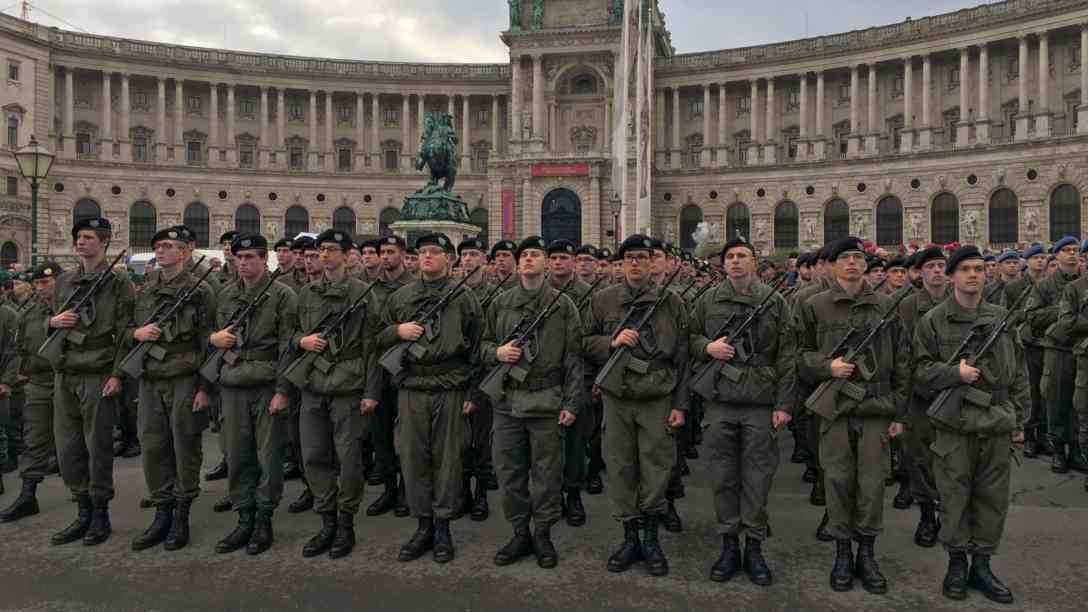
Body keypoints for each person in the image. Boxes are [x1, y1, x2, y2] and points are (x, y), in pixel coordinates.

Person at [913, 245, 1027, 604]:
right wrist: (954, 373)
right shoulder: (933, 320)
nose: (974, 275)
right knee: (954, 495)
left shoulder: (1001, 318)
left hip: (995, 420)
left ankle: (983, 564)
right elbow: (919, 371)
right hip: (954, 423)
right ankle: (957, 563)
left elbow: (1019, 371)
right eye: (965, 270)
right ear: (951, 277)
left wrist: (1020, 417)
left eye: (979, 269)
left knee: (992, 498)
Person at [796, 236, 907, 594]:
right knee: (839, 482)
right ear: (831, 265)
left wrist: (898, 411)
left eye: (858, 257)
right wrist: (827, 365)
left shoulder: (887, 306)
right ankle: (843, 552)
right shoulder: (815, 306)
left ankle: (867, 554)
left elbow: (904, 361)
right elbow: (799, 355)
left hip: (876, 409)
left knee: (873, 485)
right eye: (845, 257)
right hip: (836, 411)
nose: (852, 263)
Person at [689, 237, 795, 586]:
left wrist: (783, 405)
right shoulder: (707, 300)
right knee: (722, 476)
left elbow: (787, 355)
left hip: (760, 403)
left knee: (758, 477)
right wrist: (708, 346)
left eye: (742, 256)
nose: (735, 261)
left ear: (754, 262)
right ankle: (729, 544)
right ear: (723, 264)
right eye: (730, 257)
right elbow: (688, 337)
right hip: (720, 401)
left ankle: (754, 546)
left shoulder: (774, 301)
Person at [584, 234, 689, 577]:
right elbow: (583, 342)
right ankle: (630, 536)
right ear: (620, 263)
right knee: (620, 466)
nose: (635, 263)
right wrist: (611, 342)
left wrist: (680, 404)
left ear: (652, 262)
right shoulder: (603, 300)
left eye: (642, 257)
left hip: (657, 397)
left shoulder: (671, 302)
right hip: (618, 399)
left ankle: (652, 538)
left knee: (657, 467)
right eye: (629, 257)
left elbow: (684, 358)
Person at [377, 232, 483, 564]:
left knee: (448, 459)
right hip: (412, 386)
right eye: (422, 252)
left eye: (435, 252)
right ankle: (422, 525)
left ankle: (443, 527)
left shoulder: (464, 297)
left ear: (449, 259)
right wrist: (398, 332)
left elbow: (478, 347)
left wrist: (470, 393)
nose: (427, 256)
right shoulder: (402, 297)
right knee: (412, 457)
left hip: (450, 386)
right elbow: (377, 336)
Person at [481, 235, 582, 569]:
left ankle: (543, 533)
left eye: (535, 255)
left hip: (546, 399)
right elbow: (481, 346)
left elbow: (573, 358)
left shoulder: (563, 305)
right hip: (507, 400)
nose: (527, 260)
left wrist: (571, 402)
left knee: (547, 473)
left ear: (546, 263)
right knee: (509, 471)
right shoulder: (501, 302)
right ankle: (519, 532)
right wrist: (497, 352)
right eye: (523, 255)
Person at [292, 229, 382, 559]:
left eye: (331, 250)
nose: (324, 255)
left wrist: (371, 391)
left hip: (348, 386)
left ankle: (346, 524)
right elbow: (291, 336)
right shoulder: (306, 293)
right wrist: (301, 342)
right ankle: (326, 521)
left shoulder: (363, 293)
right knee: (315, 456)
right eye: (320, 250)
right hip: (314, 385)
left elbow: (373, 346)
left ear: (346, 255)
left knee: (349, 461)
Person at [127, 226, 216, 552]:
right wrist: (137, 334)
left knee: (185, 447)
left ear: (184, 252)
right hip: (150, 378)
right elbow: (126, 329)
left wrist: (205, 387)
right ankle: (161, 513)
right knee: (152, 447)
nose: (161, 251)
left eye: (168, 246)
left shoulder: (200, 290)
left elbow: (209, 340)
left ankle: (181, 516)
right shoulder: (146, 289)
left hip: (184, 377)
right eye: (158, 246)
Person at [48, 217, 136, 546]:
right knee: (67, 446)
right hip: (66, 371)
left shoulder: (118, 283)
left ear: (104, 242)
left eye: (87, 237)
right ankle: (81, 509)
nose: (80, 242)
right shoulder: (64, 281)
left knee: (97, 446)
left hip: (98, 371)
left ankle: (100, 513)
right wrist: (52, 321)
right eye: (78, 237)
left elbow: (125, 334)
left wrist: (117, 374)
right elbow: (53, 323)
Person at [210, 233, 297, 556]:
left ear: (265, 259)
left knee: (268, 457)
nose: (244, 262)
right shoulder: (226, 294)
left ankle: (264, 519)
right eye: (239, 257)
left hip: (265, 384)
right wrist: (213, 339)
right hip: (232, 384)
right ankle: (243, 517)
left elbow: (287, 346)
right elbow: (213, 337)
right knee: (237, 455)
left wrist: (282, 391)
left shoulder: (283, 295)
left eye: (250, 257)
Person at [0, 262, 62, 521]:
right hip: (38, 381)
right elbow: (18, 347)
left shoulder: (74, 307)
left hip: (67, 379)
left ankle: (89, 501)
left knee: (78, 441)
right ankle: (28, 495)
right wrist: (19, 374)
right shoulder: (30, 312)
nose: (40, 288)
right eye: (36, 283)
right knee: (34, 438)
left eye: (45, 282)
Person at [897, 246, 949, 548]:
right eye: (931, 266)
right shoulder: (907, 306)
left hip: (953, 391)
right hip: (919, 394)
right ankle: (927, 515)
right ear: (920, 272)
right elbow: (902, 353)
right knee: (919, 457)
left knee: (952, 458)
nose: (937, 271)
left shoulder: (962, 303)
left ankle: (948, 515)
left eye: (942, 265)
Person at [365, 235, 415, 519]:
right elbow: (370, 336)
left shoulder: (414, 288)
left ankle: (408, 489)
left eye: (391, 252)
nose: (385, 257)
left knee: (407, 436)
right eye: (382, 252)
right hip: (378, 370)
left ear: (403, 255)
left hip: (407, 370)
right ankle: (389, 489)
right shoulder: (370, 288)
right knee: (380, 435)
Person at [1026, 236, 1084, 473]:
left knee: (1079, 406)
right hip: (1057, 350)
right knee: (1057, 401)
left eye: (1075, 250)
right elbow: (1032, 317)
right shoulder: (1045, 285)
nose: (1072, 254)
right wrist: (1062, 309)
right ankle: (1059, 450)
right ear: (1057, 255)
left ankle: (1078, 451)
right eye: (1066, 250)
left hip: (1081, 349)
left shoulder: (1084, 283)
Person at [545, 239, 591, 527]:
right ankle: (550, 497)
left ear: (573, 261)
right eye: (555, 257)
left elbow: (589, 336)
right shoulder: (538, 292)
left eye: (565, 257)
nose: (559, 262)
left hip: (577, 374)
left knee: (575, 442)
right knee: (545, 444)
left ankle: (573, 494)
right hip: (544, 377)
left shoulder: (588, 294)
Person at [451, 237, 497, 521]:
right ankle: (461, 493)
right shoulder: (452, 295)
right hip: (455, 377)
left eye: (473, 254)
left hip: (483, 378)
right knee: (457, 441)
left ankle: (481, 494)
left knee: (481, 440)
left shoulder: (495, 296)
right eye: (464, 255)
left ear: (484, 260)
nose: (468, 259)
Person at [1008, 244, 1049, 457]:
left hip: (1048, 343)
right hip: (1026, 344)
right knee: (1031, 391)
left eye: (1043, 257)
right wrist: (1028, 316)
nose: (1041, 261)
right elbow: (1007, 317)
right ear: (1028, 261)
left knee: (1046, 392)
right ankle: (1031, 436)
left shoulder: (1050, 284)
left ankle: (1044, 434)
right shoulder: (1015, 288)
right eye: (1036, 257)